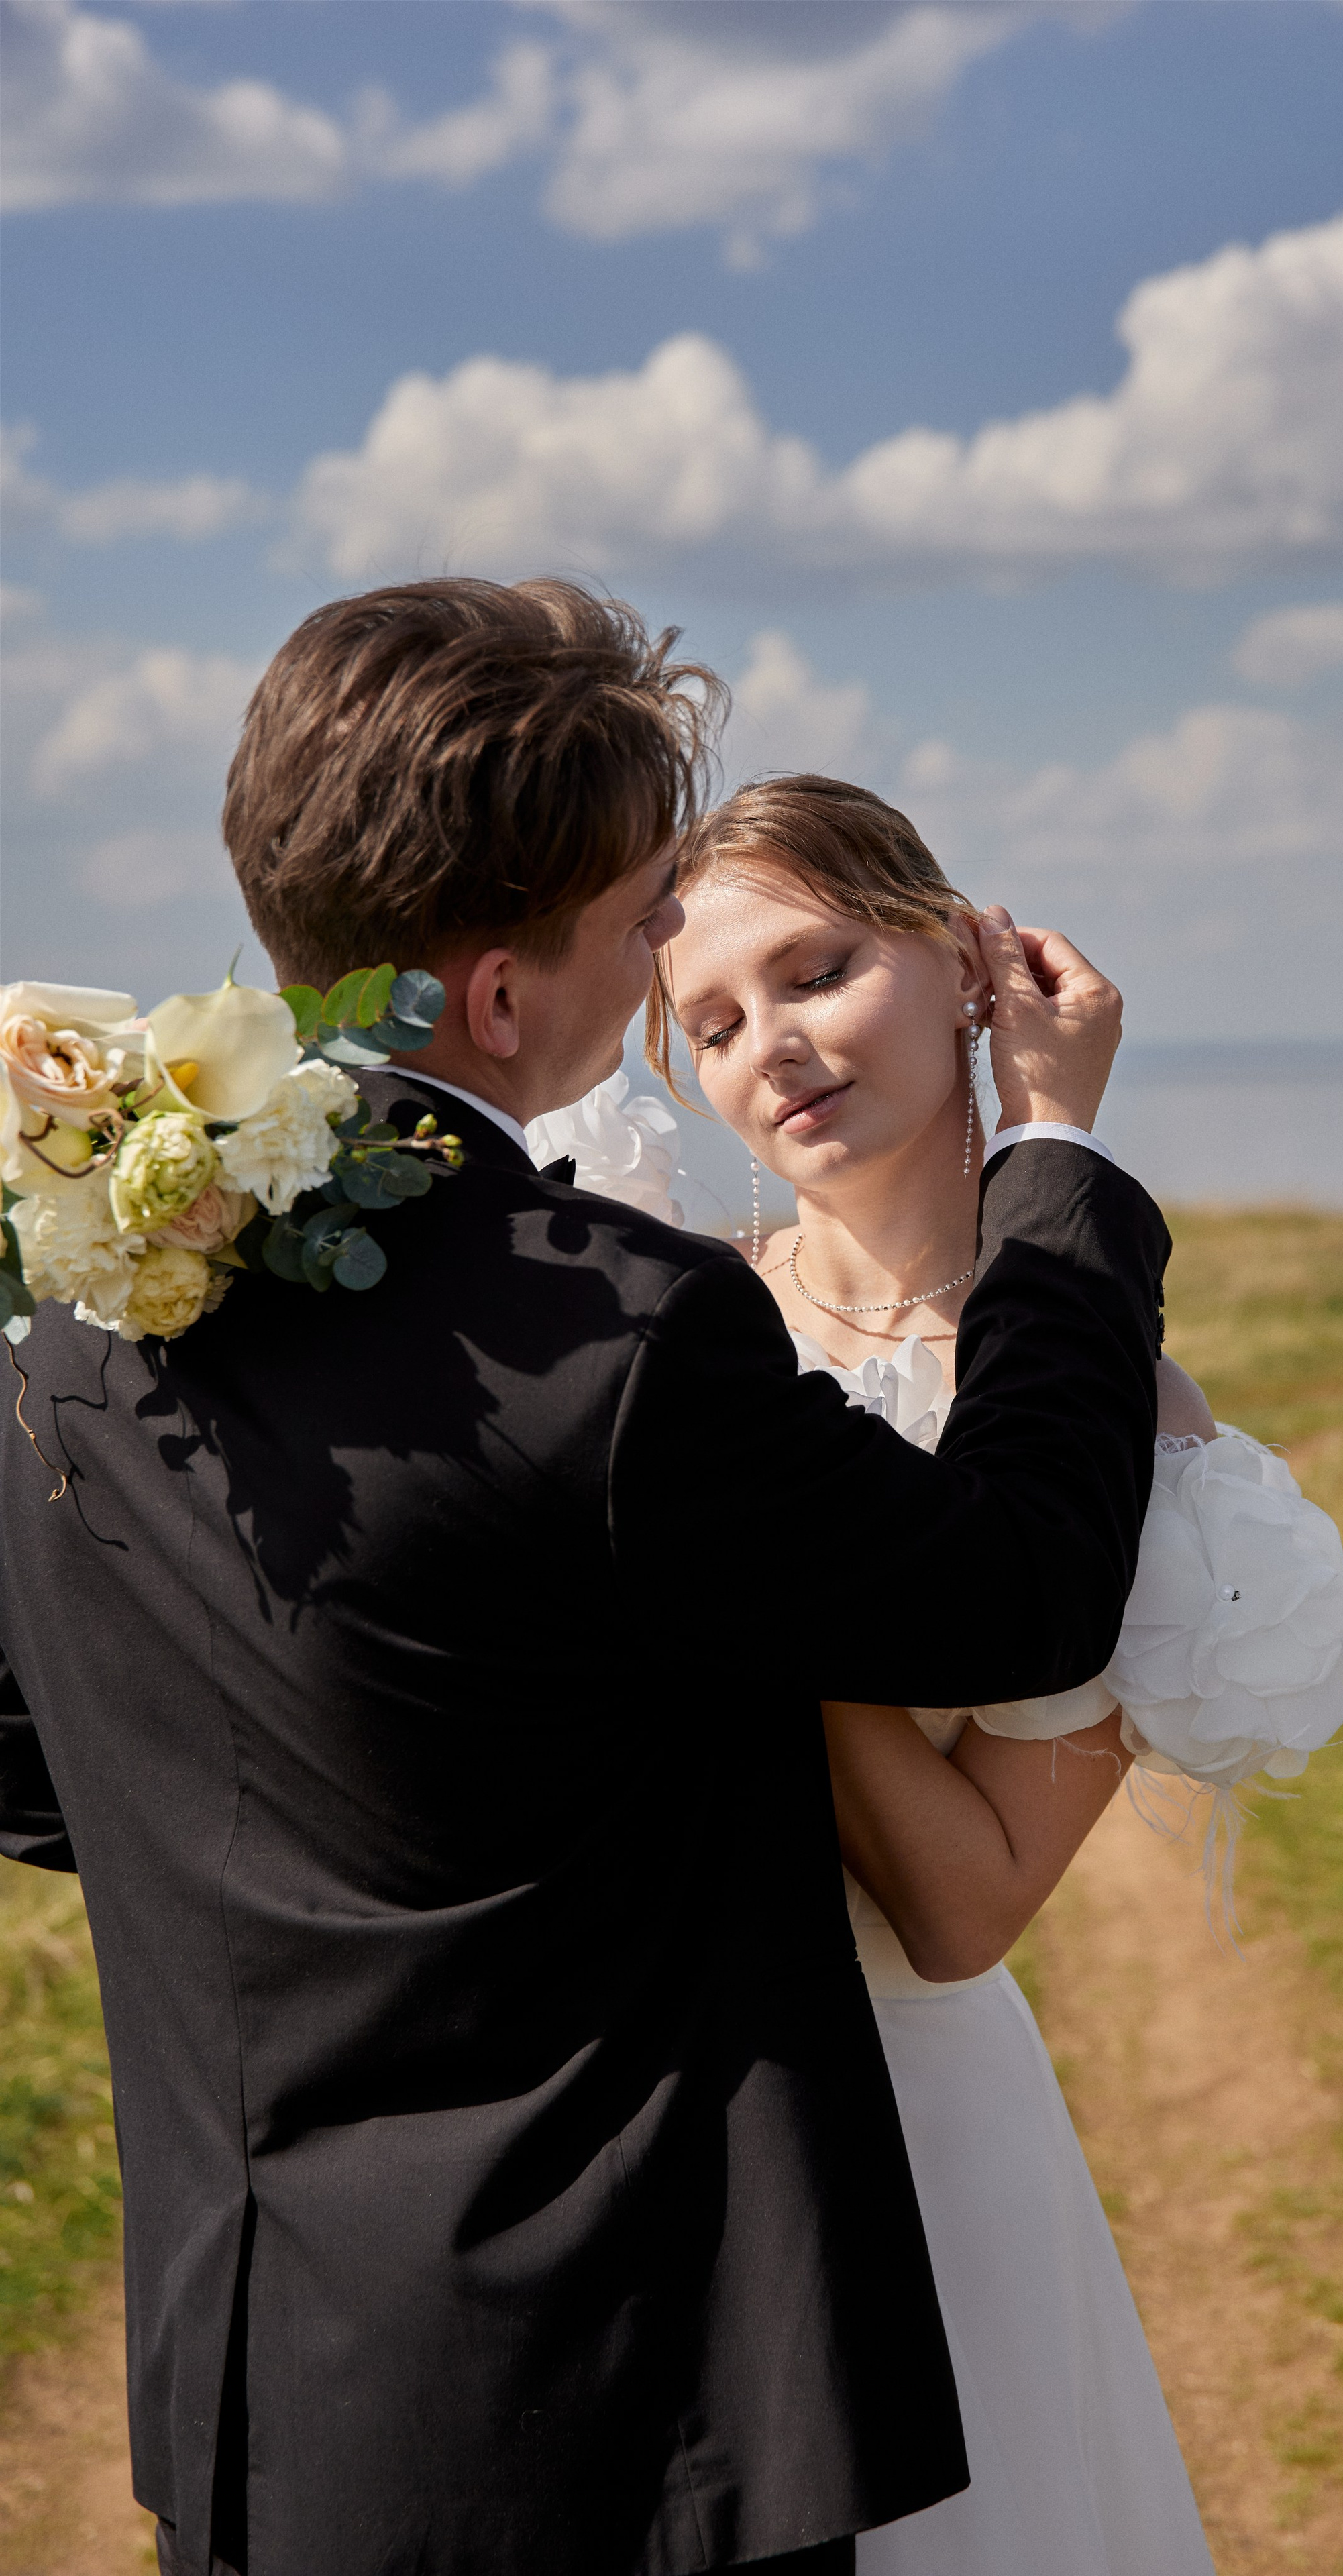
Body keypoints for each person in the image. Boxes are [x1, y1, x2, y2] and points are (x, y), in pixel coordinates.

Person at [0, 580, 1175, 2576]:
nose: (663, 962)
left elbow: (35, 1762)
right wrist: (1058, 1158)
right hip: (628, 2424)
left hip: (264, 2417)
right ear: (499, 998)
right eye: (648, 925)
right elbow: (1026, 1596)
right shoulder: (615, 1344)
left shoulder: (80, 1298)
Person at [645, 774, 1343, 2575]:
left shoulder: (1118, 1417)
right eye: (711, 1024)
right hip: (638, 2108)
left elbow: (970, 1908)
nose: (770, 1046)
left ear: (969, 957)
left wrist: (764, 1587)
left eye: (817, 970)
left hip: (912, 2132)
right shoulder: (661, 1326)